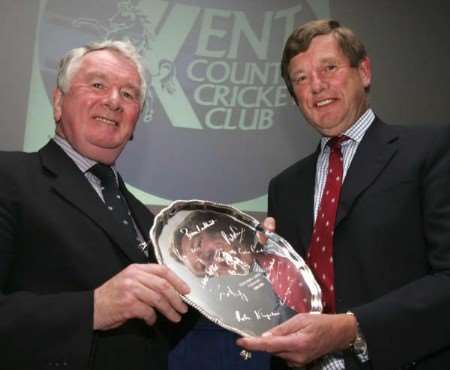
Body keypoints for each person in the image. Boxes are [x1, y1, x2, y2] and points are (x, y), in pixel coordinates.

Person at [237, 19, 450, 370]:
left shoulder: (430, 151)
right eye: (301, 79)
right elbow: (289, 302)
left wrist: (352, 329)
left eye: (329, 68)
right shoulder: (285, 187)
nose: (317, 86)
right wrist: (263, 269)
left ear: (363, 72)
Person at [0, 40, 192, 370]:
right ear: (58, 102)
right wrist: (92, 309)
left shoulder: (144, 217)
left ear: (135, 123)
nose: (114, 101)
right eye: (98, 84)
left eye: (129, 94)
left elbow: (157, 333)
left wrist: (207, 274)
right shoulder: (8, 177)